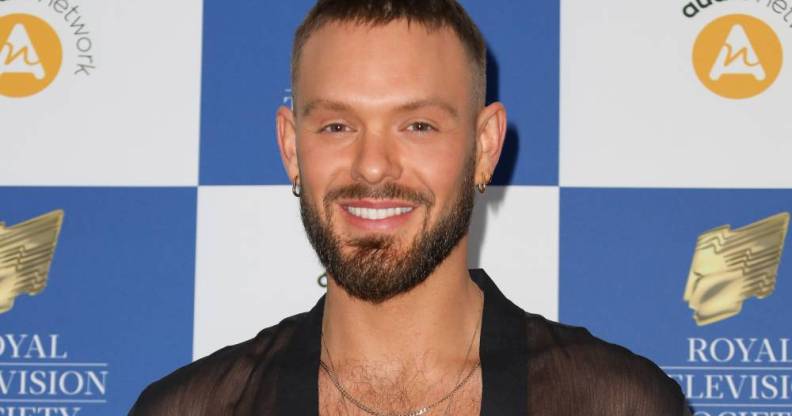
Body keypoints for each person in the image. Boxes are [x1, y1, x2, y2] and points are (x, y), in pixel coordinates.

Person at [130, 0, 691, 414]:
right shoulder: (191, 408)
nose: (373, 165)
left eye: (418, 125)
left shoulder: (614, 405)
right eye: (337, 125)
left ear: (485, 147)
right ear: (291, 148)